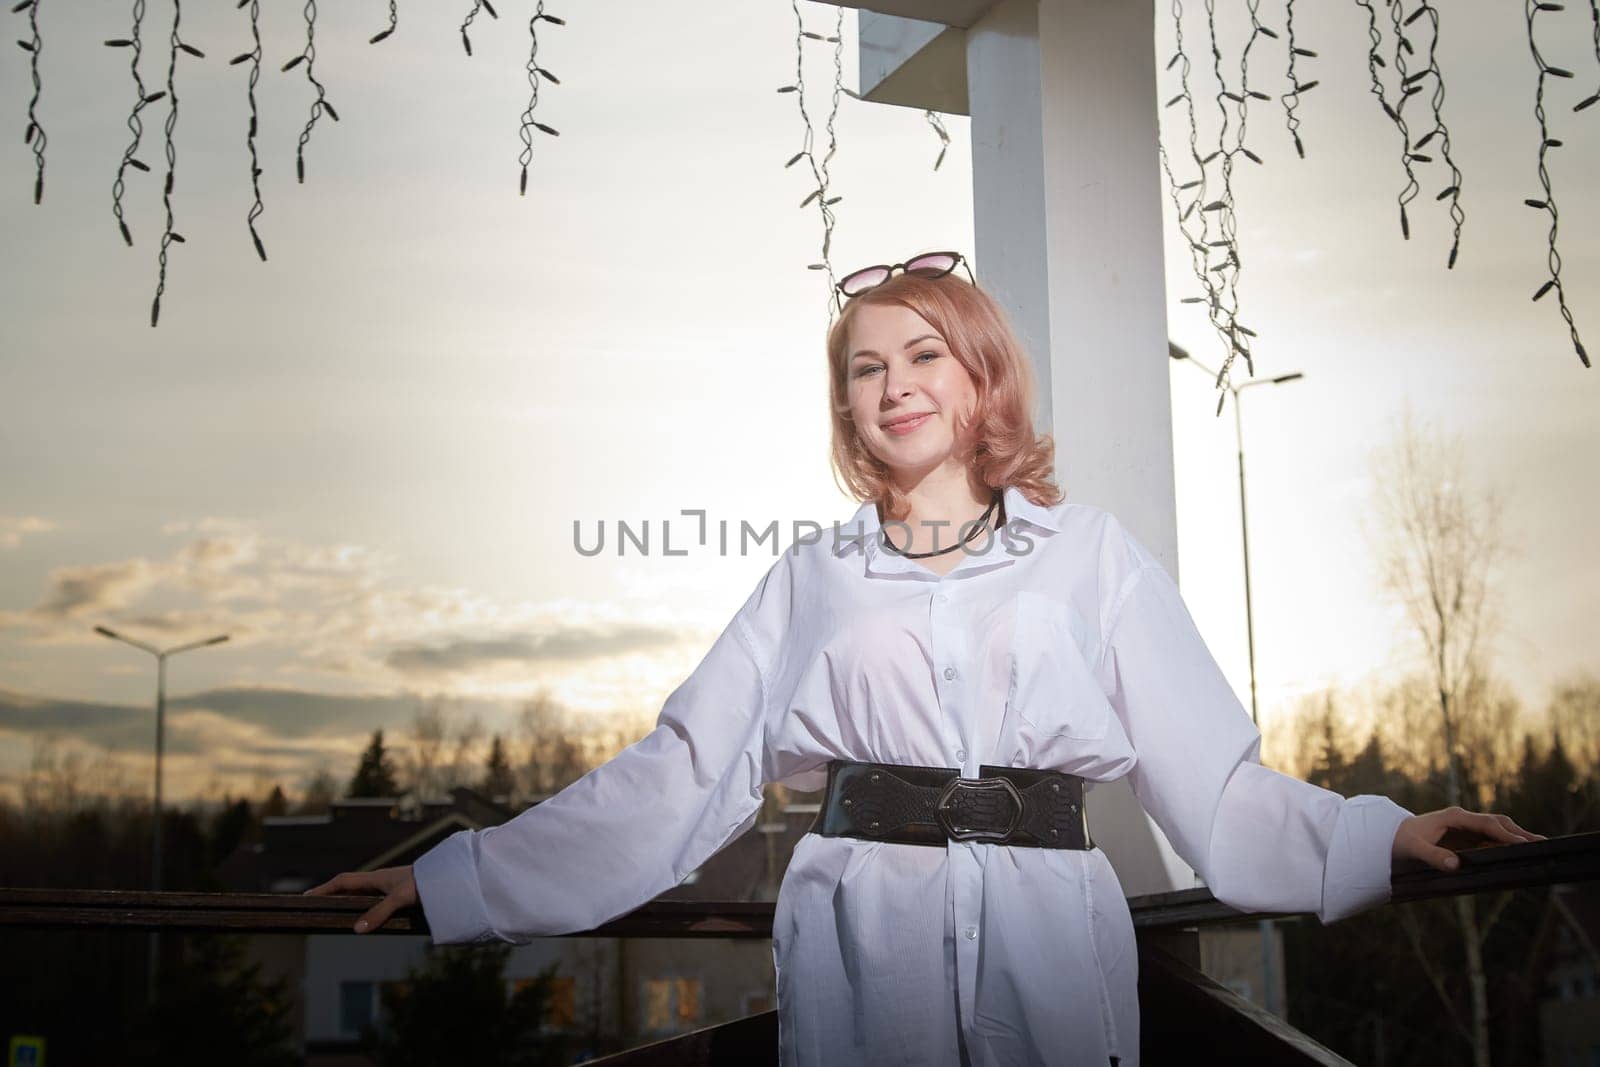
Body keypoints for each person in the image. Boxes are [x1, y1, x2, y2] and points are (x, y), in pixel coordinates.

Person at [307, 252, 1543, 1066]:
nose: (892, 385)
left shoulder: (1091, 557)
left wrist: (1373, 835)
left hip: (1054, 937)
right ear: (845, 407)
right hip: (862, 940)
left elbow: (1211, 785)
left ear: (980, 373)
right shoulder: (810, 578)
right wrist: (460, 881)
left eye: (922, 354)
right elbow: (682, 772)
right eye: (863, 367)